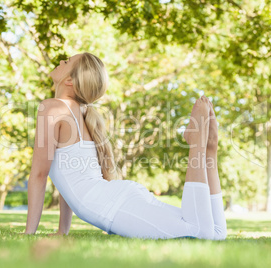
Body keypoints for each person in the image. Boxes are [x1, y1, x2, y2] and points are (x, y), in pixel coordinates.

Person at [23, 52, 227, 240]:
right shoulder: (80, 113)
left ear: (69, 80)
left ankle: (197, 145)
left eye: (66, 62)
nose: (61, 61)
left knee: (200, 233)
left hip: (112, 204)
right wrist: (62, 231)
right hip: (118, 198)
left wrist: (29, 234)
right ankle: (210, 151)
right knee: (216, 232)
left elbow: (39, 175)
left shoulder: (52, 108)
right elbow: (70, 179)